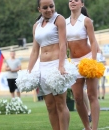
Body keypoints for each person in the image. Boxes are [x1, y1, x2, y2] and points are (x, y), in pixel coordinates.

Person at [27, 0, 70, 129]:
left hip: (56, 66)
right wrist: (29, 71)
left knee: (60, 104)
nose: (49, 9)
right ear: (39, 9)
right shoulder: (36, 26)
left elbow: (63, 44)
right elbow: (35, 50)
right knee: (50, 106)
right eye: (45, 7)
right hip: (43, 68)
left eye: (51, 6)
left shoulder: (59, 19)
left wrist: (61, 65)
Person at [66, 1, 99, 130]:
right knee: (78, 97)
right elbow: (63, 45)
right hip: (73, 62)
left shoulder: (86, 21)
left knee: (92, 95)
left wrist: (93, 62)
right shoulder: (64, 22)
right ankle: (87, 127)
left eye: (76, 0)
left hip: (88, 59)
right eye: (70, 0)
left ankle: (94, 128)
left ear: (82, 4)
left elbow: (93, 42)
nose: (72, 2)